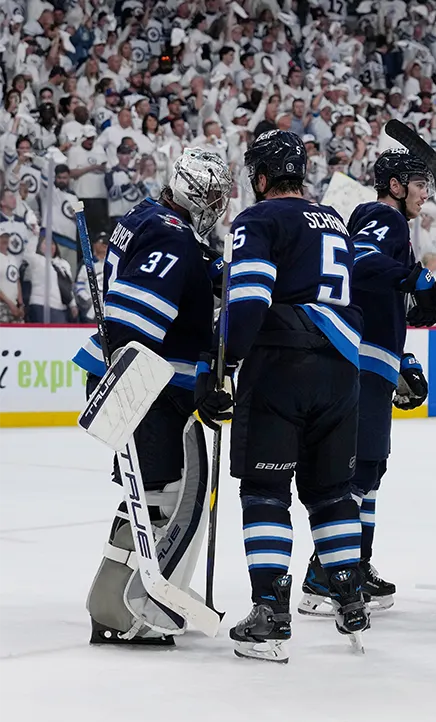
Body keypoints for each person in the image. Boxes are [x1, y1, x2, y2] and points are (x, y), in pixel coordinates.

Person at [194, 130, 368, 662]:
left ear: (262, 176)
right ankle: (349, 591)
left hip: (281, 367)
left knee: (265, 490)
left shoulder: (258, 220)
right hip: (342, 369)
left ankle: (270, 609)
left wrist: (219, 366)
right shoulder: (332, 221)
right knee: (332, 491)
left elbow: (249, 303)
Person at [71, 148, 233, 646]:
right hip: (143, 382)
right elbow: (133, 324)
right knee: (169, 497)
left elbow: (180, 276)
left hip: (133, 378)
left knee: (156, 496)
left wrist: (213, 274)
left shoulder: (148, 213)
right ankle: (130, 609)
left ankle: (119, 600)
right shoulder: (172, 235)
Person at [299, 148, 436, 616]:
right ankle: (324, 575)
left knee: (371, 470)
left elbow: (379, 301)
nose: (425, 192)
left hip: (373, 363)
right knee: (357, 470)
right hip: (358, 366)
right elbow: (359, 261)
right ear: (396, 185)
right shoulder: (382, 216)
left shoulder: (395, 226)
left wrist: (404, 352)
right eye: (417, 183)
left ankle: (355, 564)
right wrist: (414, 276)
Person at [0, 225, 24, 323]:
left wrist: (21, 304)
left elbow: (16, 281)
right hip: (2, 305)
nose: (5, 240)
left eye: (6, 237)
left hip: (15, 306)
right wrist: (10, 304)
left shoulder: (13, 259)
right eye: (2, 237)